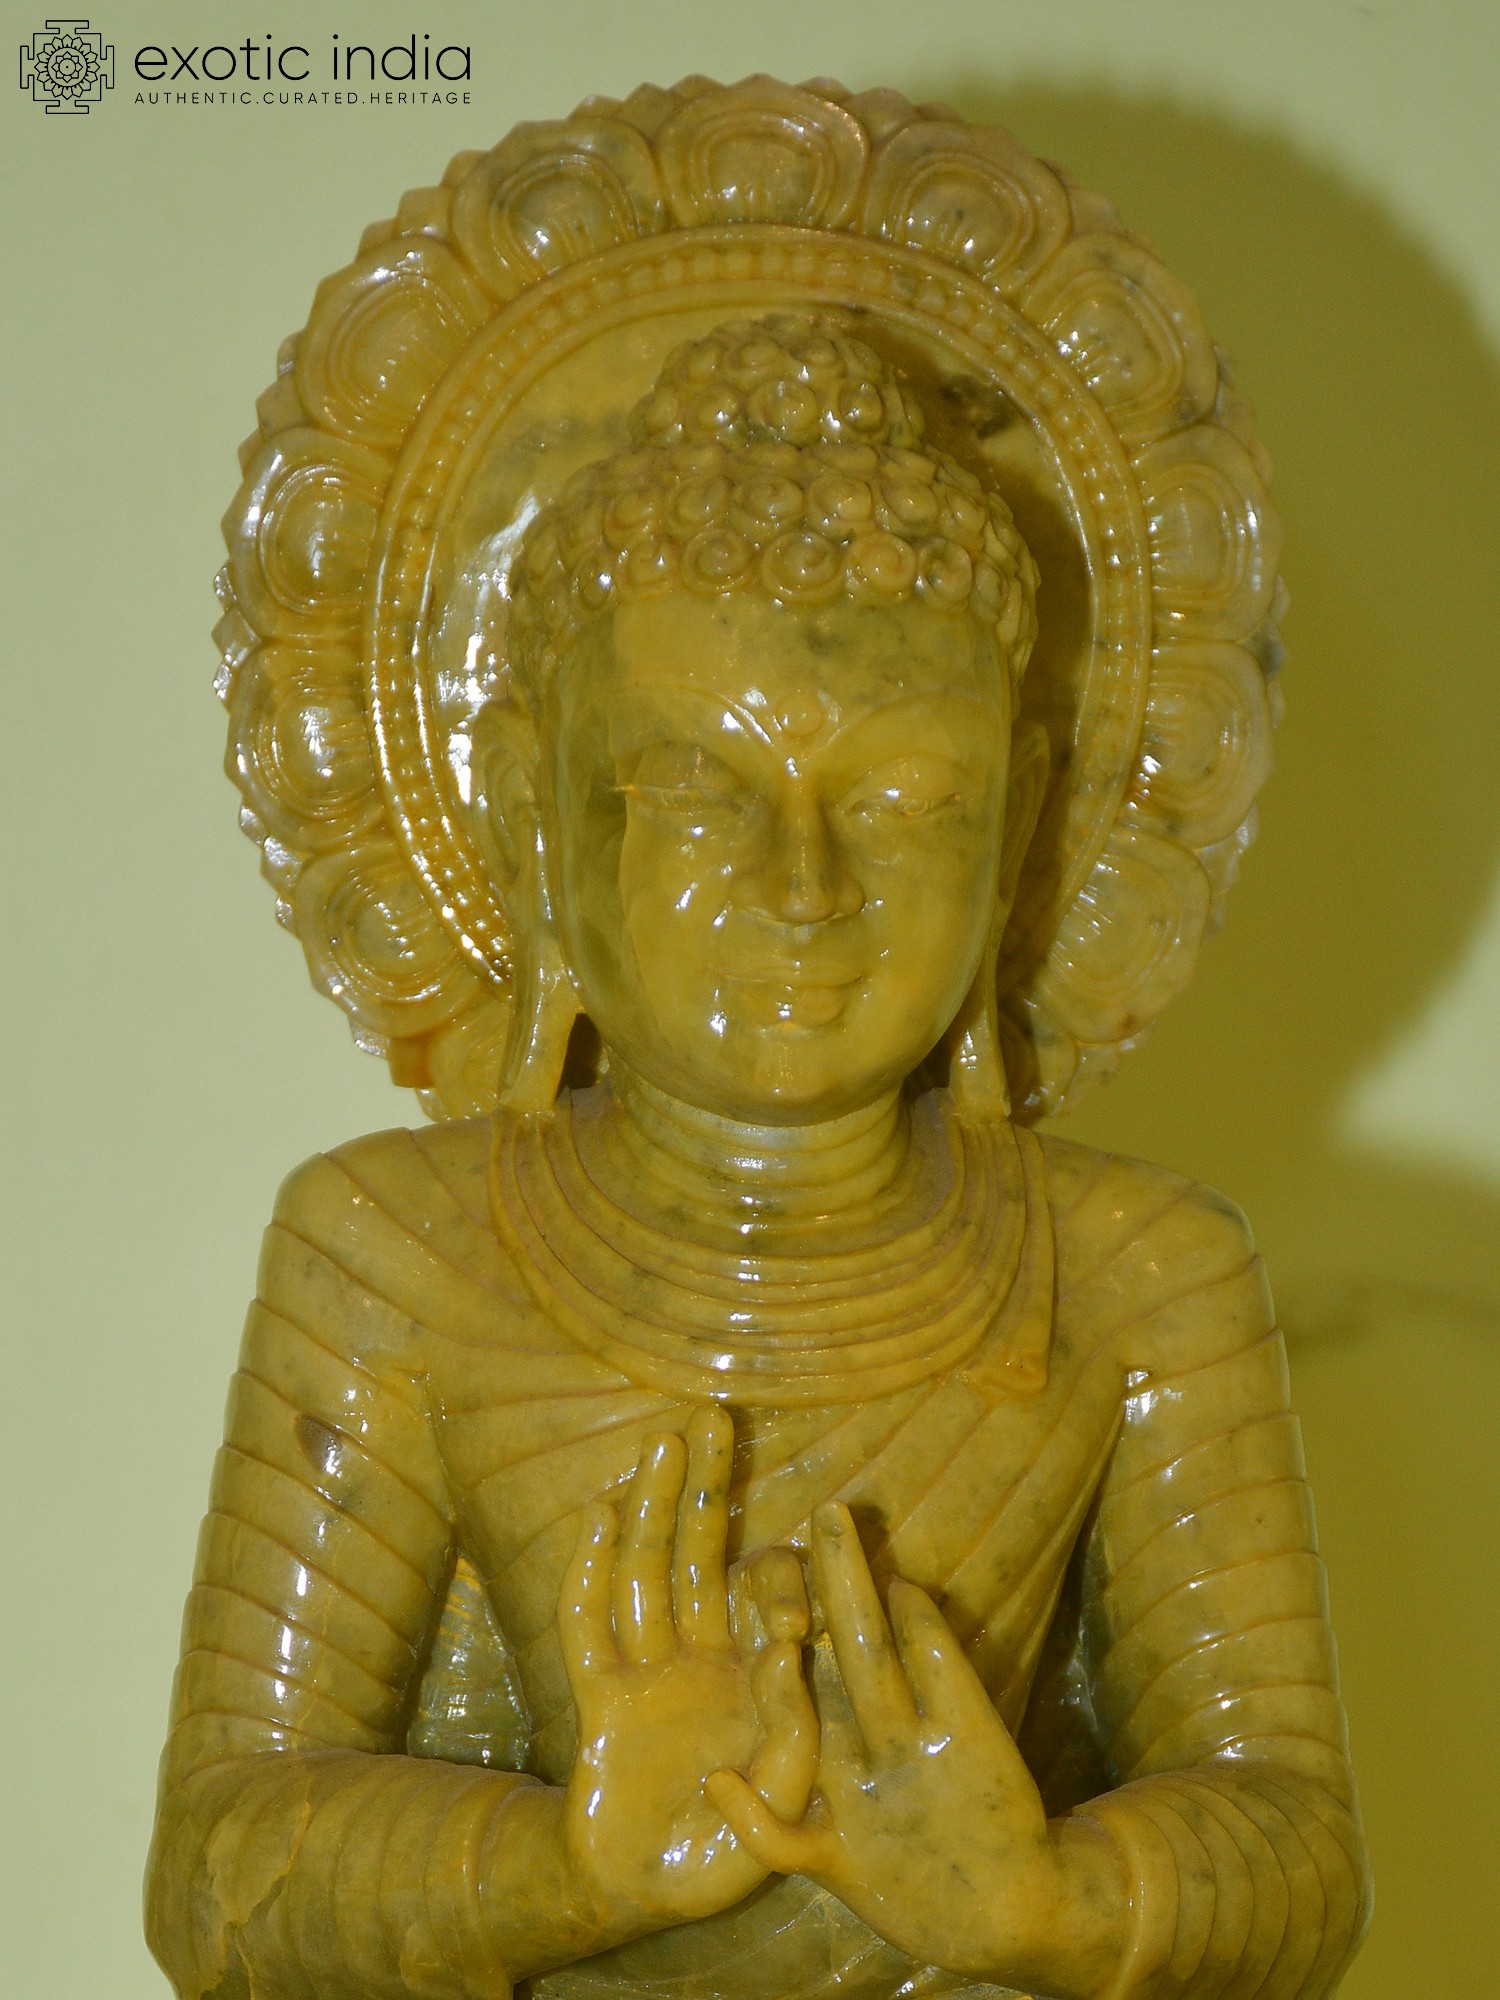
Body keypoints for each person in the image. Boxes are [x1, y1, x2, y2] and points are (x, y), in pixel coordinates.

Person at [147, 316, 1370, 2000]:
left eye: (907, 797)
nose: (806, 885)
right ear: (530, 819)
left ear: (1022, 823)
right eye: (692, 789)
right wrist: (563, 1872)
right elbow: (218, 1870)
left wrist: (1046, 1904)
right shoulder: (396, 1252)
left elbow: (1298, 1846)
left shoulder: (1140, 1274)